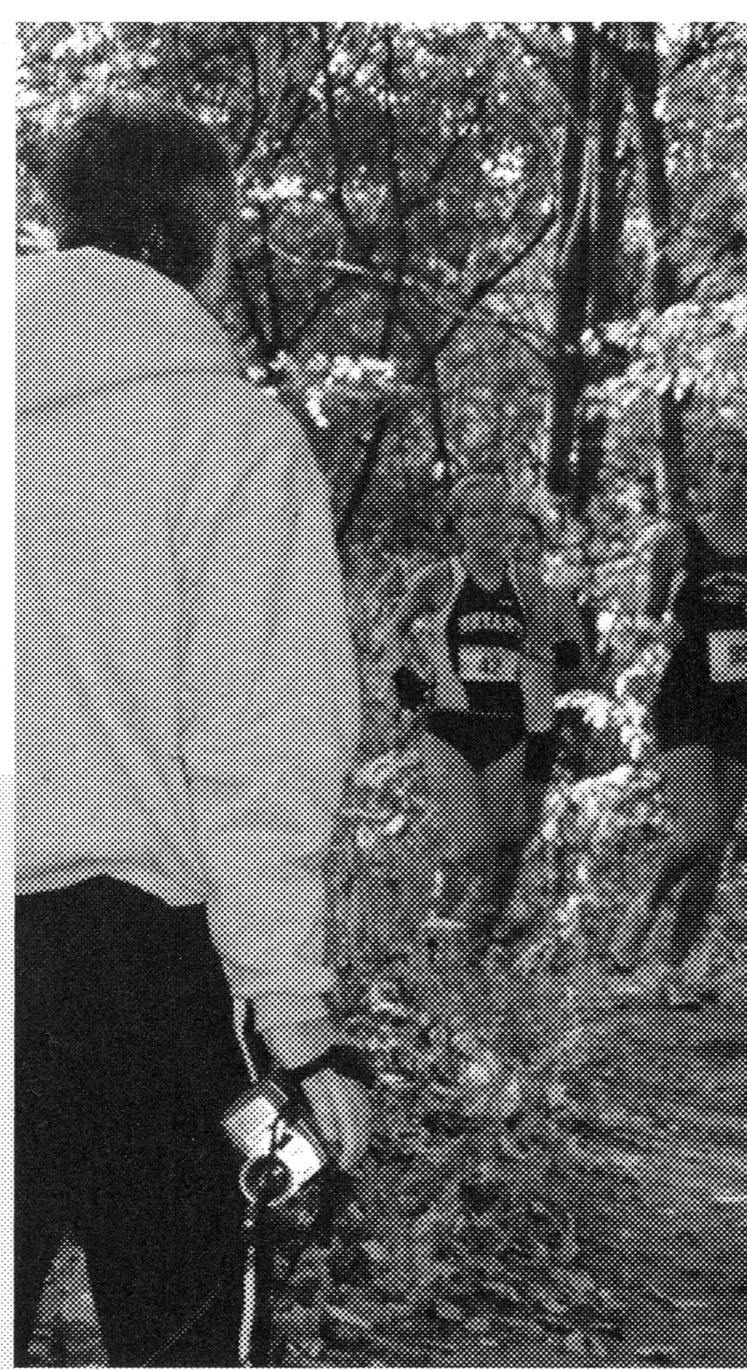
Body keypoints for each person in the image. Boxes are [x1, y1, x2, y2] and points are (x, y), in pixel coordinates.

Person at [18, 92, 371, 1366]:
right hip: (148, 976)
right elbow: (263, 752)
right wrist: (296, 1024)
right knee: (181, 1326)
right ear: (208, 240)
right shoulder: (232, 439)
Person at [607, 436, 747, 1008]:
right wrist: (658, 630)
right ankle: (647, 901)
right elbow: (637, 623)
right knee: (699, 829)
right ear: (705, 478)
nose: (736, 481)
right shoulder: (676, 543)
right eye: (725, 469)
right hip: (688, 698)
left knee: (715, 844)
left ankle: (675, 967)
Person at [381, 470, 584, 951]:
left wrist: (561, 656)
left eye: (496, 512)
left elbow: (575, 653)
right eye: (475, 514)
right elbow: (388, 634)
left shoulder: (532, 588)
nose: (487, 523)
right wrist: (405, 675)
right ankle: (449, 926)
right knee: (473, 841)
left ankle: (466, 941)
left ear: (508, 519)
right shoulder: (439, 580)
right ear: (458, 521)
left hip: (510, 729)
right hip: (449, 728)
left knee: (500, 844)